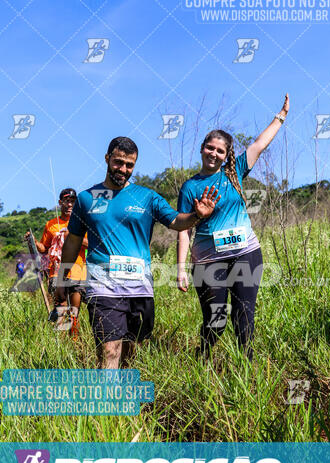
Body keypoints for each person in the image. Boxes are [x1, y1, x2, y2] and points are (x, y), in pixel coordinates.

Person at [55, 136, 220, 369]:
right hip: (103, 287)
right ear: (107, 159)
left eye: (129, 165)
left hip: (139, 288)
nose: (123, 169)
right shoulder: (86, 198)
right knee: (109, 350)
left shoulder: (147, 197)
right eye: (118, 162)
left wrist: (197, 216)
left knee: (132, 352)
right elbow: (72, 242)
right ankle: (106, 403)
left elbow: (176, 221)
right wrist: (63, 277)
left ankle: (125, 398)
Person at [177, 94, 290, 361]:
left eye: (220, 150)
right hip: (207, 261)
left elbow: (260, 144)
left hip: (245, 254)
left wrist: (281, 115)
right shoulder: (189, 187)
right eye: (210, 148)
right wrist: (181, 268)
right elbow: (183, 229)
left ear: (227, 155)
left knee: (244, 320)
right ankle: (200, 364)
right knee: (216, 322)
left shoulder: (235, 172)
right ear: (202, 148)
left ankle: (247, 375)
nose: (214, 154)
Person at [25, 188, 88, 333]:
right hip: (57, 273)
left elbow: (91, 244)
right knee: (61, 311)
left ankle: (74, 342)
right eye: (66, 201)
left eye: (73, 201)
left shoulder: (82, 222)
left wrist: (72, 236)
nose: (70, 204)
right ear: (60, 203)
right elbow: (44, 248)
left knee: (74, 312)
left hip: (77, 272)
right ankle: (61, 346)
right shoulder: (51, 224)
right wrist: (32, 241)